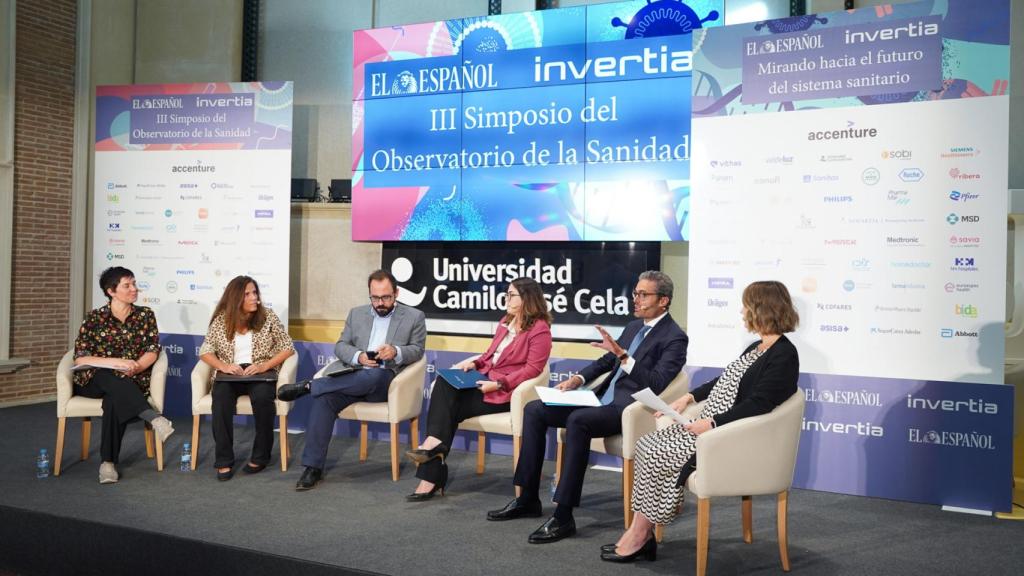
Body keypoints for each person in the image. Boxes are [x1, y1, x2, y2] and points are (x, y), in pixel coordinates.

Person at [600, 280, 800, 563]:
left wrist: (712, 424)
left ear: (762, 308)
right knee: (647, 445)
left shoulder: (784, 355)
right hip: (709, 427)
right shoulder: (757, 346)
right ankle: (640, 531)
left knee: (660, 452)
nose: (742, 311)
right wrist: (689, 398)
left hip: (728, 436)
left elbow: (760, 404)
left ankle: (638, 536)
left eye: (746, 305)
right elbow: (726, 381)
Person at [487, 270, 689, 544]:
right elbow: (607, 362)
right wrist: (578, 379)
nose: (636, 299)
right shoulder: (633, 327)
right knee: (534, 409)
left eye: (643, 294)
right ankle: (527, 498)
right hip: (598, 398)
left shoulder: (675, 337)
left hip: (626, 410)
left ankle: (563, 515)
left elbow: (656, 381)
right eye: (635, 293)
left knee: (578, 421)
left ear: (663, 300)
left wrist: (624, 356)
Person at [277, 269, 426, 491]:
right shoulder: (356, 314)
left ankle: (309, 386)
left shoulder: (414, 316)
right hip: (353, 377)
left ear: (396, 293)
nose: (380, 303)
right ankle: (313, 468)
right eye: (375, 298)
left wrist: (395, 351)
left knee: (374, 374)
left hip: (385, 382)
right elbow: (341, 346)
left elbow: (417, 350)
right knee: (324, 400)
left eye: (385, 297)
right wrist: (359, 356)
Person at [405, 277, 553, 501]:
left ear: (527, 298)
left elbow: (532, 370)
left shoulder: (540, 330)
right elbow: (490, 356)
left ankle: (431, 470)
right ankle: (433, 454)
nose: (507, 297)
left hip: (506, 393)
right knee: (446, 384)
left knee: (448, 407)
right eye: (507, 293)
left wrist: (500, 383)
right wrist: (474, 364)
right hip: (486, 383)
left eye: (512, 294)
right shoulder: (506, 321)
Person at [73, 266, 174, 484]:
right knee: (109, 376)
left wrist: (137, 366)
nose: (134, 289)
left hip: (131, 379)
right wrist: (115, 363)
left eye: (134, 284)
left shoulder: (145, 315)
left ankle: (108, 464)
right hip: (94, 380)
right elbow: (81, 358)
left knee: (113, 400)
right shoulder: (94, 318)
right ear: (111, 291)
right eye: (127, 285)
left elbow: (152, 350)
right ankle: (154, 418)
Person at [198, 276, 295, 481]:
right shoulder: (221, 320)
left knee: (262, 400)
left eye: (255, 292)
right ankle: (223, 461)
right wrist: (224, 366)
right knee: (221, 400)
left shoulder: (268, 317)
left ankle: (261, 456)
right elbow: (205, 351)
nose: (254, 298)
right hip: (230, 374)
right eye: (248, 294)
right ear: (236, 298)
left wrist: (264, 366)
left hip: (259, 372)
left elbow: (287, 346)